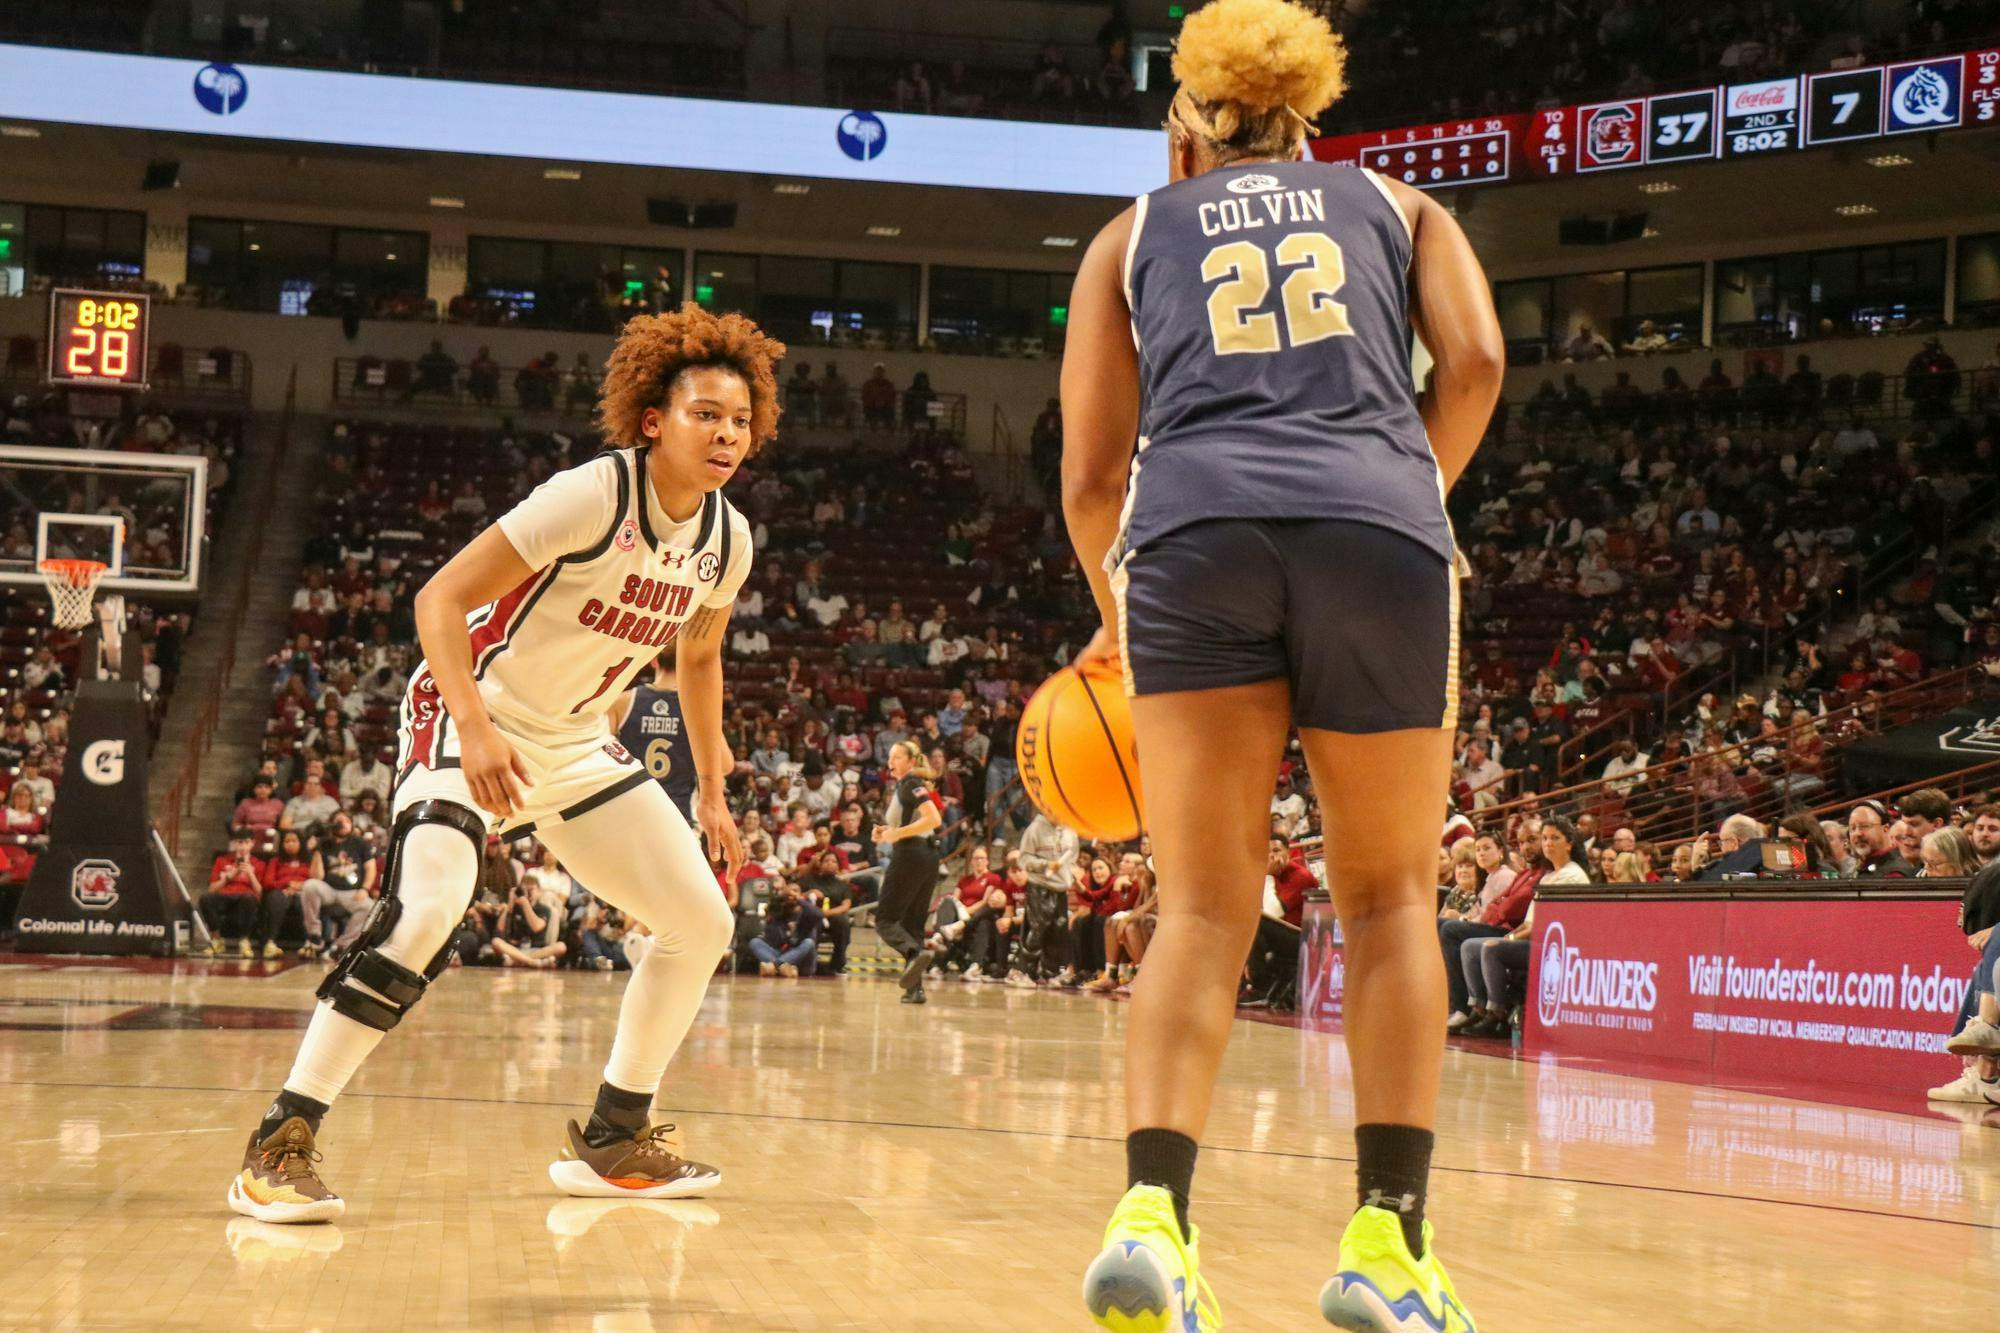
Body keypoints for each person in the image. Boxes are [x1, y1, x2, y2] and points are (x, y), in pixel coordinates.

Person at [1059, 3, 1501, 1325]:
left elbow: (1089, 477)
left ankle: (1153, 1216)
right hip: (1379, 526)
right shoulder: (1401, 205)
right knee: (1388, 901)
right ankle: (1388, 1243)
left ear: (1187, 127)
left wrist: (1117, 608)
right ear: (1311, 114)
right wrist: (1402, 488)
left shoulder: (1128, 234)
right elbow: (1475, 362)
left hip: (1192, 536)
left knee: (1200, 905)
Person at [228, 304, 768, 1224]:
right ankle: (279, 1143)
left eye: (741, 419)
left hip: (576, 744)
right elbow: (438, 598)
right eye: (705, 413)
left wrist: (711, 786)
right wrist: (475, 729)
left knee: (700, 921)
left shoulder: (728, 540)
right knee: (429, 911)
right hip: (468, 714)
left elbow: (701, 656)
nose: (727, 433)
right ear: (653, 419)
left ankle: (612, 1135)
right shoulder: (593, 496)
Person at [871, 739, 945, 1005]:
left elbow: (933, 819)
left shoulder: (910, 783)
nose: (891, 762)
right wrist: (884, 832)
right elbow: (910, 823)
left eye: (897, 757)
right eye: (889, 757)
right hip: (928, 856)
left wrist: (896, 835)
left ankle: (914, 954)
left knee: (885, 921)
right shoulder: (908, 786)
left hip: (910, 855)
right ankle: (916, 990)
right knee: (913, 925)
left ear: (911, 762)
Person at [609, 654, 697, 822]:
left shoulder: (623, 701)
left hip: (632, 806)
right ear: (686, 663)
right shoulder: (695, 707)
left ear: (654, 660)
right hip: (678, 812)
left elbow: (601, 753)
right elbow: (726, 764)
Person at [201, 829, 266, 957]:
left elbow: (261, 892)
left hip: (245, 898)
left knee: (249, 898)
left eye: (246, 842)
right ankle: (217, 940)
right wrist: (228, 877)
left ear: (252, 843)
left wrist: (251, 874)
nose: (242, 846)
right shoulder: (221, 861)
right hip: (225, 896)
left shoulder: (259, 864)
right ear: (234, 844)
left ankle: (244, 941)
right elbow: (211, 889)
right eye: (239, 842)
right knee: (205, 899)